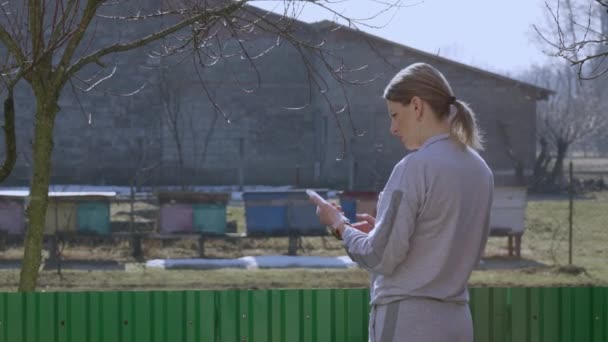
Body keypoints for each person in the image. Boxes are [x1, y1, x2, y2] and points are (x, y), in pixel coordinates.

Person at [311, 62, 494, 342]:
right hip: (458, 323)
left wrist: (340, 226)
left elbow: (378, 257)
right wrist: (383, 229)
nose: (393, 128)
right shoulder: (480, 169)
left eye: (395, 115)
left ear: (417, 106)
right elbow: (437, 242)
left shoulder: (415, 167)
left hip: (409, 323)